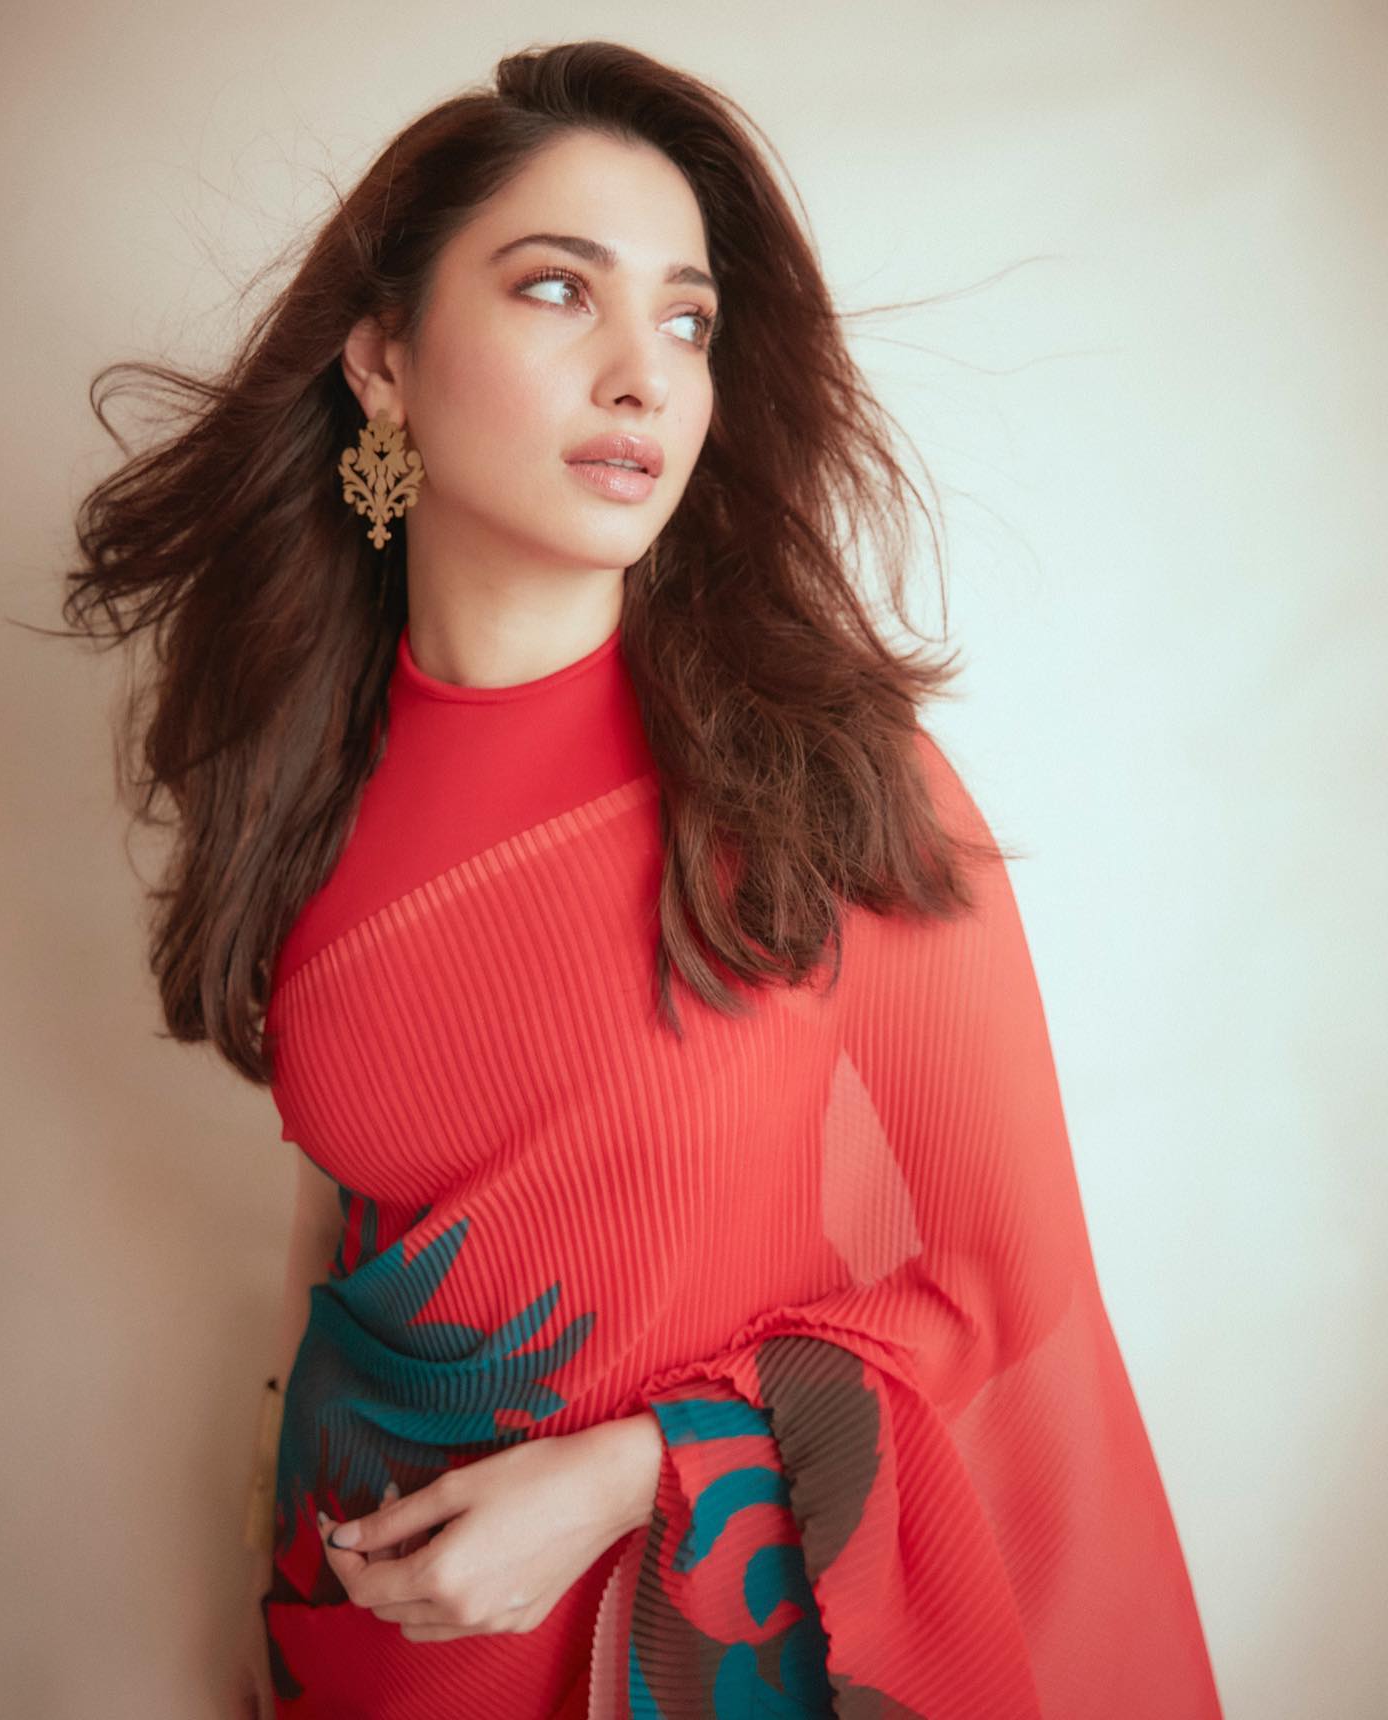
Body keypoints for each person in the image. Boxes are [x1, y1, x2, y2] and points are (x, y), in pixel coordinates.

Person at [61, 39, 1224, 1720]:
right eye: (559, 290)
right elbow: (342, 1228)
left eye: (687, 321)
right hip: (356, 1637)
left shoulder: (824, 781)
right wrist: (263, 1569)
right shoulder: (297, 772)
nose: (644, 377)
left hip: (680, 1643)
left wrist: (630, 1472)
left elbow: (998, 1283)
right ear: (382, 362)